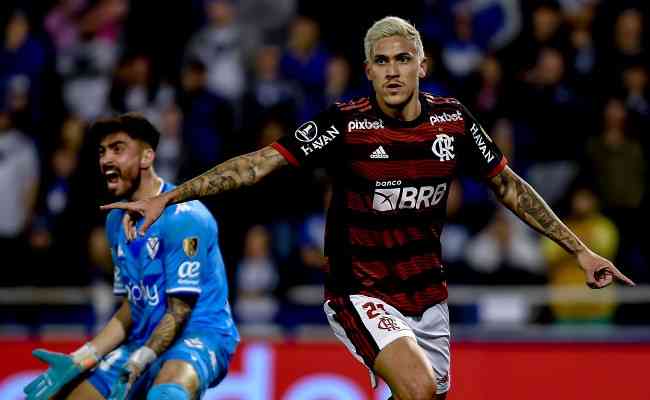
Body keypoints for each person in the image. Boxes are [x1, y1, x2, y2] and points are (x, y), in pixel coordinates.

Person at [102, 17, 635, 400]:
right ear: (368, 70)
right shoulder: (345, 124)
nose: (393, 70)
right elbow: (260, 164)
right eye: (382, 62)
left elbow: (510, 187)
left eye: (404, 59)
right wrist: (172, 195)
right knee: (419, 386)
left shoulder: (452, 122)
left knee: (424, 395)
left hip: (427, 291)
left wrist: (580, 249)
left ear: (423, 65)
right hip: (360, 288)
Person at [24, 113, 239, 400]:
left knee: (166, 395)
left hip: (199, 333)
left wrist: (139, 361)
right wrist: (82, 357)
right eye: (102, 151)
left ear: (146, 157)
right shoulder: (115, 220)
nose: (105, 159)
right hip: (144, 337)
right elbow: (132, 305)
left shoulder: (185, 217)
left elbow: (180, 310)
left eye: (118, 149)